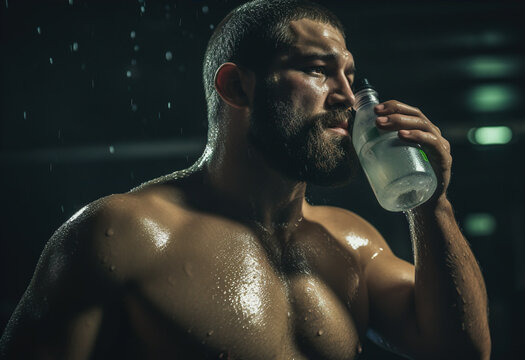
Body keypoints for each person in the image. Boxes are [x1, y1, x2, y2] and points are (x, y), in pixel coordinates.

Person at [0, 1, 491, 359]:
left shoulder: (352, 242)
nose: (347, 95)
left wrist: (431, 204)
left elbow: (461, 351)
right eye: (318, 70)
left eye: (349, 75)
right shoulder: (124, 233)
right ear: (237, 86)